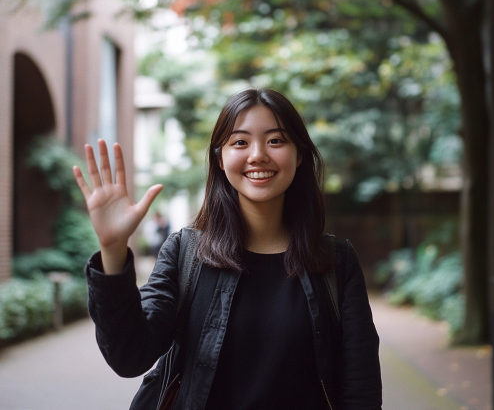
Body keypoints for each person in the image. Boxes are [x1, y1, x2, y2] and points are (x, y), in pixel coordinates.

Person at [73, 88, 382, 410]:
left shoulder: (336, 262)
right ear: (220, 158)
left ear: (299, 155)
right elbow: (129, 356)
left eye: (276, 140)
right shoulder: (185, 253)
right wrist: (112, 249)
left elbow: (361, 388)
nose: (258, 154)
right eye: (240, 142)